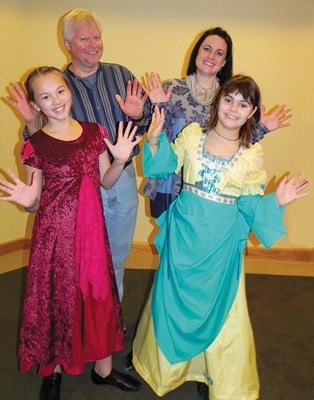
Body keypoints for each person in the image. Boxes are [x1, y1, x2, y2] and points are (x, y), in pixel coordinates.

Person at [131, 75, 309, 400]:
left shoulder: (252, 155)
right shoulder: (191, 135)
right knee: (172, 301)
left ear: (251, 112)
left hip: (221, 245)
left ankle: (212, 374)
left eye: (243, 104)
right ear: (218, 101)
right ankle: (170, 369)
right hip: (184, 237)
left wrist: (276, 201)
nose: (233, 108)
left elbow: (250, 202)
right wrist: (154, 141)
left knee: (220, 310)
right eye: (229, 99)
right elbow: (164, 167)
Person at [0, 66, 143, 400]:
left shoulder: (94, 132)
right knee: (55, 299)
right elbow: (34, 201)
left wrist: (119, 161)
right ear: (36, 106)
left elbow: (105, 181)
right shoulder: (36, 144)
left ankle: (102, 370)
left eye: (59, 91)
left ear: (69, 90)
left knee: (99, 296)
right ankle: (52, 372)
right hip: (54, 238)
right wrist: (28, 201)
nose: (56, 101)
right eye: (45, 97)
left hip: (92, 234)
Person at [5, 8, 151, 301]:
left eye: (97, 37)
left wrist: (138, 116)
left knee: (116, 259)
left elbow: (144, 121)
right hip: (73, 192)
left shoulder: (121, 74)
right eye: (84, 39)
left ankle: (109, 327)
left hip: (118, 178)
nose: (93, 44)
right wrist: (31, 123)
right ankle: (79, 332)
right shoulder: (57, 86)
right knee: (78, 265)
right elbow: (41, 146)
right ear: (67, 44)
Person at [143, 27, 292, 218]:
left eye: (219, 53)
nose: (211, 56)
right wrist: (155, 107)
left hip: (211, 187)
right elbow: (153, 133)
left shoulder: (231, 97)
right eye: (207, 49)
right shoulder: (171, 89)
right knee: (172, 238)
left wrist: (260, 128)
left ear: (224, 63)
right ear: (196, 52)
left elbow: (235, 146)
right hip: (170, 180)